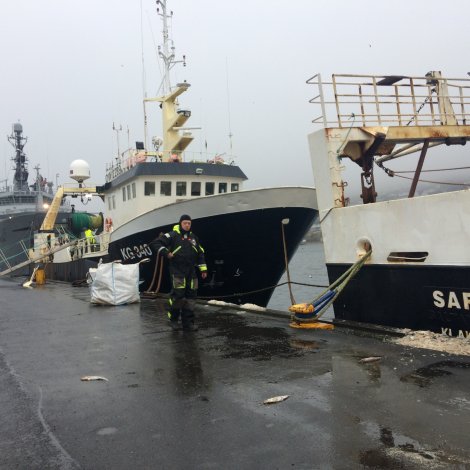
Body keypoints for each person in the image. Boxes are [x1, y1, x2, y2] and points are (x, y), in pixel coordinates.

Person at [150, 214, 207, 331]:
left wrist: (203, 269)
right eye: (185, 223)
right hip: (177, 271)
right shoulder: (172, 235)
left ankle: (188, 324)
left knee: (191, 298)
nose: (187, 225)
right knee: (178, 297)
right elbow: (155, 243)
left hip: (191, 272)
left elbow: (200, 253)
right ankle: (174, 320)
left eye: (189, 223)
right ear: (180, 223)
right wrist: (166, 253)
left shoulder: (194, 238)